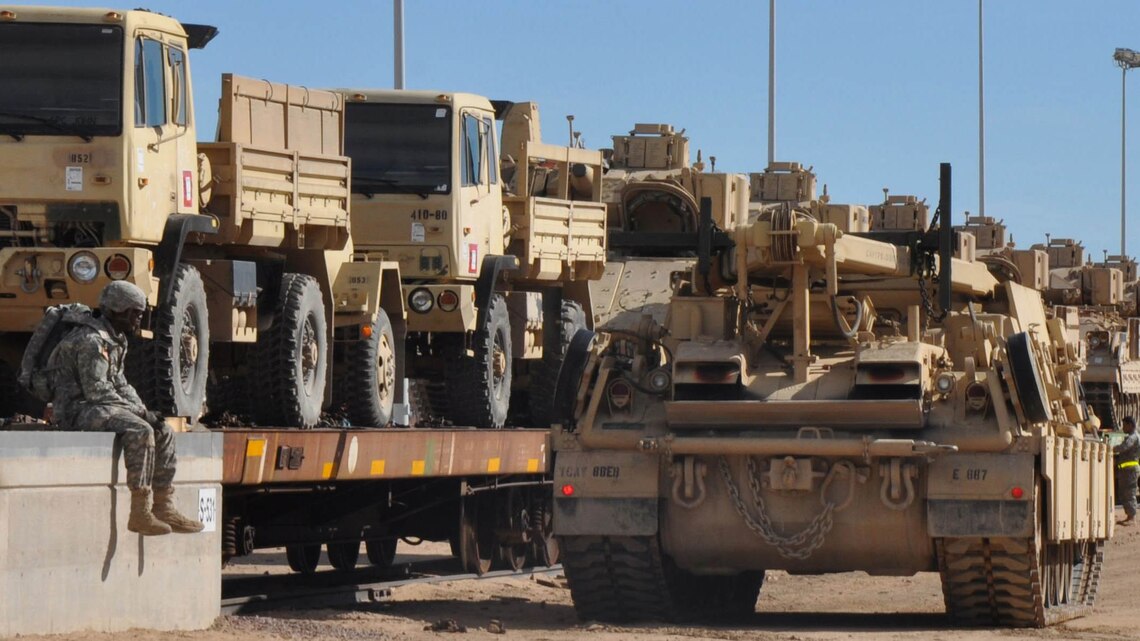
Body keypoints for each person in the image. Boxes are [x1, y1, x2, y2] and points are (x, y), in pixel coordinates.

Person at [48, 281, 204, 536]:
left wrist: (144, 410)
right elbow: (97, 391)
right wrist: (140, 415)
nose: (138, 320)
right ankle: (140, 512)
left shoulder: (114, 339)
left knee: (161, 428)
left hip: (98, 404)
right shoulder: (91, 341)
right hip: (77, 409)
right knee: (140, 429)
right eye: (135, 314)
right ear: (119, 311)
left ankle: (164, 506)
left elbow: (119, 382)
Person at [1114, 415, 1139, 526]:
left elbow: (1123, 447)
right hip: (1126, 470)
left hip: (1130, 470)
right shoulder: (1131, 436)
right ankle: (1129, 515)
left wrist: (1111, 448)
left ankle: (1132, 517)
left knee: (1130, 493)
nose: (1123, 427)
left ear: (1130, 425)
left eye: (1124, 425)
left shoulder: (1133, 437)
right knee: (1125, 493)